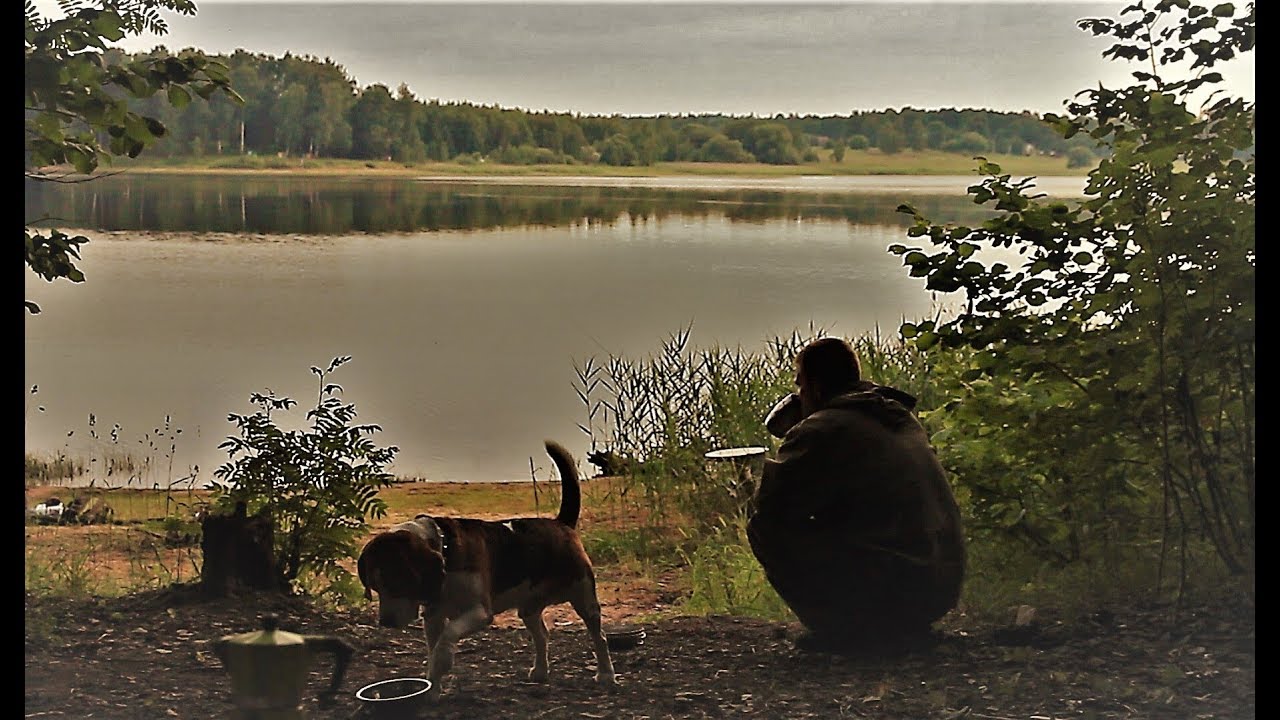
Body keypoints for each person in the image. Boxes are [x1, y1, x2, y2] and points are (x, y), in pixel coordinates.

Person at [747, 336, 965, 651]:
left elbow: (771, 507)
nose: (798, 394)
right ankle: (889, 624)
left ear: (816, 387)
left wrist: (789, 440)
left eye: (800, 386)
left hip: (898, 591)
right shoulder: (895, 415)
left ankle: (844, 628)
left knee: (764, 527)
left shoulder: (822, 429)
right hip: (938, 587)